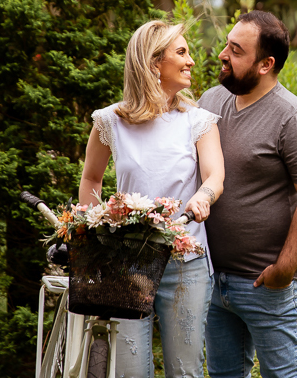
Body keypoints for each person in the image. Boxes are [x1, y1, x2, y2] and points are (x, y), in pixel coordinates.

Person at [79, 20, 225, 378]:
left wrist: (203, 197)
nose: (191, 60)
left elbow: (215, 175)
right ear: (153, 62)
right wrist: (94, 232)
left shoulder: (198, 121)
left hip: (184, 260)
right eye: (181, 52)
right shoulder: (109, 121)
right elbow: (91, 179)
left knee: (184, 371)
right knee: (130, 371)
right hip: (128, 262)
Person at [199, 11, 297, 378]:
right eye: (227, 44)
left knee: (283, 375)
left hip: (267, 285)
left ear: (265, 64)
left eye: (236, 50)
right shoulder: (210, 103)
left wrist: (284, 270)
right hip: (214, 281)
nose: (223, 54)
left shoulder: (293, 119)